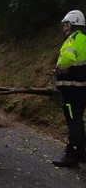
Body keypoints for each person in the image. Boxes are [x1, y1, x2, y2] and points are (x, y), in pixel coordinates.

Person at [52, 10, 86, 167]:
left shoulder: (73, 40)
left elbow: (66, 59)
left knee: (73, 122)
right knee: (78, 120)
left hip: (72, 91)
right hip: (82, 90)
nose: (63, 28)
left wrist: (59, 68)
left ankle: (71, 156)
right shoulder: (84, 39)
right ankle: (81, 153)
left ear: (71, 25)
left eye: (65, 24)